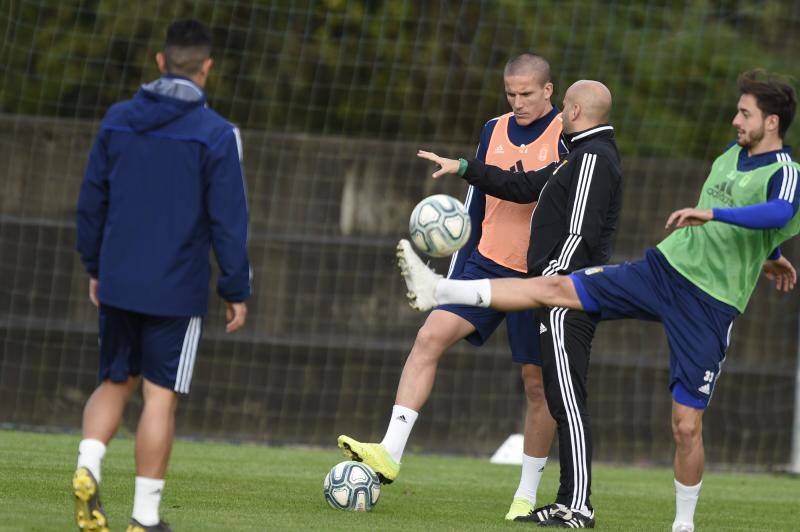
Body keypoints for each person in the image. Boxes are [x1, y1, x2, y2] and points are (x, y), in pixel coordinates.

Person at [400, 70, 799, 532]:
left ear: (771, 122)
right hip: (664, 270)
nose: (735, 120)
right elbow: (755, 212)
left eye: (745, 113)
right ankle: (440, 290)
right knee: (556, 290)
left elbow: (780, 211)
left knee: (686, 425)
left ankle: (683, 525)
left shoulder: (785, 171)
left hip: (710, 303)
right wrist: (769, 253)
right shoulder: (731, 155)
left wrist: (748, 238)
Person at [337, 53, 567, 521]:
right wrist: (454, 273)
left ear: (548, 90)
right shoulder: (493, 129)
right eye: (510, 93)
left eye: (527, 93)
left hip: (538, 275)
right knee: (428, 337)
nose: (517, 102)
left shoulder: (568, 134)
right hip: (484, 263)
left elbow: (531, 193)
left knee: (536, 385)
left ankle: (525, 494)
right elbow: (476, 203)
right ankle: (389, 452)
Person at [416, 79, 621, 528]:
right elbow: (522, 185)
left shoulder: (591, 159)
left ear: (573, 110)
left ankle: (578, 506)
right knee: (559, 396)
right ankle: (569, 501)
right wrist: (467, 167)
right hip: (558, 289)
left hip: (564, 293)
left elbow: (579, 233)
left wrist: (550, 282)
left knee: (566, 398)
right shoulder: (577, 156)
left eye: (564, 107)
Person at [74, 19, 250, 532]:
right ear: (207, 69)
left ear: (160, 62)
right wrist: (235, 289)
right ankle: (144, 518)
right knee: (159, 397)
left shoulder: (117, 119)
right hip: (176, 290)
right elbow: (229, 222)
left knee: (112, 382)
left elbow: (90, 204)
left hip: (119, 280)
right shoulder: (217, 134)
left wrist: (95, 266)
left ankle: (88, 465)